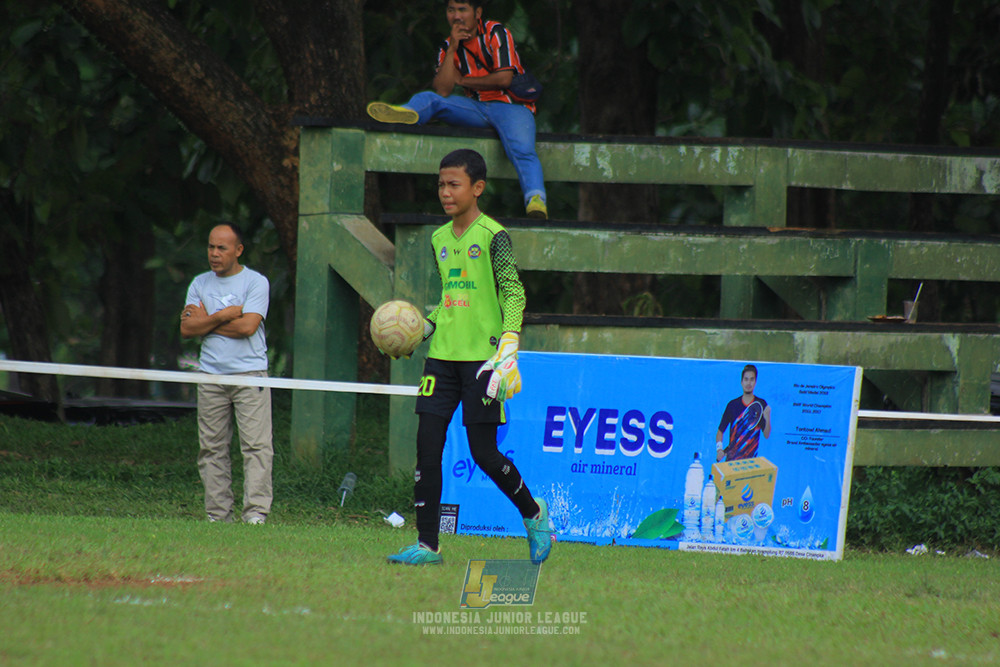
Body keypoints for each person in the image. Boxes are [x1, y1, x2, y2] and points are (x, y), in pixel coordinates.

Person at [385, 148, 552, 566]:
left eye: (453, 184)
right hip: (441, 358)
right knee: (427, 446)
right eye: (441, 183)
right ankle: (427, 545)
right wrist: (423, 328)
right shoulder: (438, 238)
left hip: (483, 361)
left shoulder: (493, 235)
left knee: (484, 453)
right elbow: (449, 301)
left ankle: (533, 515)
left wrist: (509, 341)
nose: (445, 191)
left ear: (477, 188)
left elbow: (513, 291)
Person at [366, 0, 548, 220]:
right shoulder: (447, 45)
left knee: (522, 149)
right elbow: (443, 89)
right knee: (430, 99)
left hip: (511, 107)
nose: (457, 16)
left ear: (477, 12)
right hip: (476, 109)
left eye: (463, 10)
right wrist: (453, 47)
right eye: (451, 10)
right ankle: (405, 114)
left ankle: (535, 201)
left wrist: (465, 81)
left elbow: (504, 78)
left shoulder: (496, 32)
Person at [180, 223, 273, 525]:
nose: (214, 254)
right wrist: (222, 315)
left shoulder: (255, 282)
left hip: (250, 376)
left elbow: (248, 327)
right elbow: (186, 328)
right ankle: (218, 516)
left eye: (222, 248)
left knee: (256, 447)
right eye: (211, 247)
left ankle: (256, 514)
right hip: (210, 376)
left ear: (238, 250)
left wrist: (205, 320)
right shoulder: (199, 283)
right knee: (211, 448)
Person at [716, 364, 772, 462]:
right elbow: (720, 431)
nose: (748, 383)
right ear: (742, 382)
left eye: (751, 379)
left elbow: (766, 435)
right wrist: (719, 449)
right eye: (746, 379)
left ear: (755, 382)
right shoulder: (732, 405)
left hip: (750, 463)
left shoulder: (761, 404)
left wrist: (767, 417)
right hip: (731, 462)